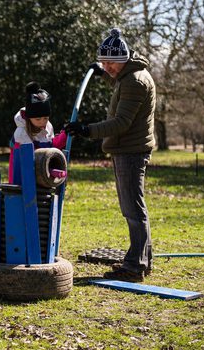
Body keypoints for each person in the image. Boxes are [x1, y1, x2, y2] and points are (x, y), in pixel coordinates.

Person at [64, 28, 156, 282]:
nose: (107, 67)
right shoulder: (129, 75)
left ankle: (135, 266)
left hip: (131, 150)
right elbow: (119, 84)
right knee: (134, 208)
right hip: (127, 149)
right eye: (103, 62)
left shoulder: (135, 81)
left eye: (110, 63)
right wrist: (102, 72)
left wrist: (86, 130)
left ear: (123, 59)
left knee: (132, 209)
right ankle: (142, 261)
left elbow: (121, 123)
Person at [9, 81, 67, 182]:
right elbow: (29, 158)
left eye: (46, 118)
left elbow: (52, 146)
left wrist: (66, 134)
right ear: (29, 118)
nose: (42, 122)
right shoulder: (21, 132)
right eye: (38, 119)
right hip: (22, 179)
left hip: (41, 177)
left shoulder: (48, 126)